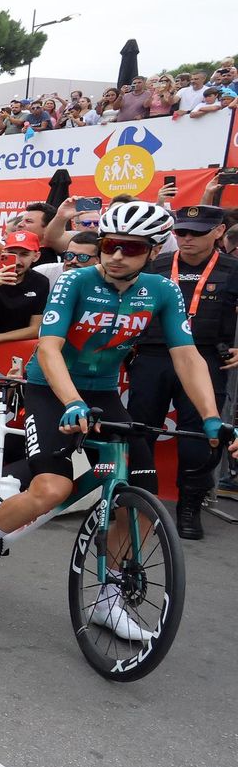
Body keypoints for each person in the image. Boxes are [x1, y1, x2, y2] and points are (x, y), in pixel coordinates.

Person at [0, 203, 235, 635]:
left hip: (103, 392)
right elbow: (48, 350)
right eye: (109, 245)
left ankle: (108, 599)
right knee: (53, 487)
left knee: (140, 499)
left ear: (154, 249)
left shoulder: (163, 290)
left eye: (131, 247)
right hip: (51, 388)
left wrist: (211, 417)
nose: (117, 255)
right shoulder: (75, 280)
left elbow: (186, 355)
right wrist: (70, 401)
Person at [128, 205, 238, 539]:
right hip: (151, 356)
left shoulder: (233, 268)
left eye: (196, 232)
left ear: (218, 231)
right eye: (181, 232)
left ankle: (189, 508)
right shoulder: (154, 266)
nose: (187, 238)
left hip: (204, 358)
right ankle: (131, 502)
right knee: (138, 432)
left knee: (199, 438)